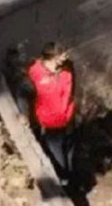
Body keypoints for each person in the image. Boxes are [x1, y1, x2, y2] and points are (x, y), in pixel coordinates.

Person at [27, 43, 77, 184]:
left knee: (69, 148)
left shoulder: (67, 69)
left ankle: (70, 176)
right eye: (62, 57)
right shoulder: (35, 72)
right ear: (52, 57)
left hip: (67, 116)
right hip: (50, 121)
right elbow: (29, 95)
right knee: (57, 151)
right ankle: (63, 178)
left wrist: (70, 110)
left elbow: (70, 91)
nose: (65, 58)